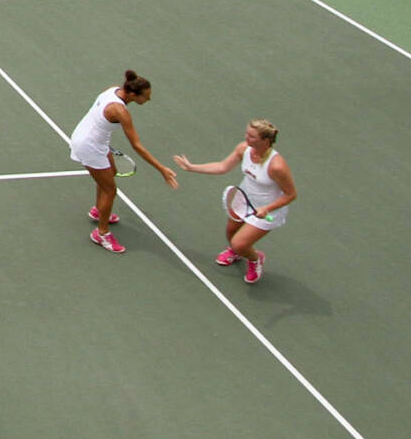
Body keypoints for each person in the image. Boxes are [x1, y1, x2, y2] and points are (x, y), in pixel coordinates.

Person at [68, 69, 178, 253]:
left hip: (94, 139)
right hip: (89, 145)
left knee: (110, 174)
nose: (149, 99)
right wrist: (161, 169)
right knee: (110, 190)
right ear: (134, 95)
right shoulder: (120, 111)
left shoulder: (114, 89)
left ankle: (99, 210)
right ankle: (101, 234)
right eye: (146, 96)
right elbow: (137, 146)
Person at [176, 119, 295, 286]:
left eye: (252, 136)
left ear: (265, 141)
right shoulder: (243, 149)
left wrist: (267, 208)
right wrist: (192, 167)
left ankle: (255, 259)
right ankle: (237, 252)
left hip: (268, 209)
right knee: (231, 234)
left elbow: (291, 194)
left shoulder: (276, 166)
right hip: (244, 199)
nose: (247, 138)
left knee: (239, 243)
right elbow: (222, 167)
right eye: (247, 133)